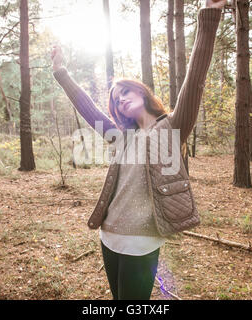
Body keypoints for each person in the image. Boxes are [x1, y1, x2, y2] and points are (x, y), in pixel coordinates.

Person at [51, 0, 226, 300]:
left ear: (142, 92)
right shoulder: (121, 136)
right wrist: (61, 72)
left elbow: (194, 81)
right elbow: (89, 110)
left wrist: (209, 17)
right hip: (108, 235)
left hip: (141, 241)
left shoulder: (171, 127)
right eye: (116, 99)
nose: (120, 100)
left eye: (125, 92)